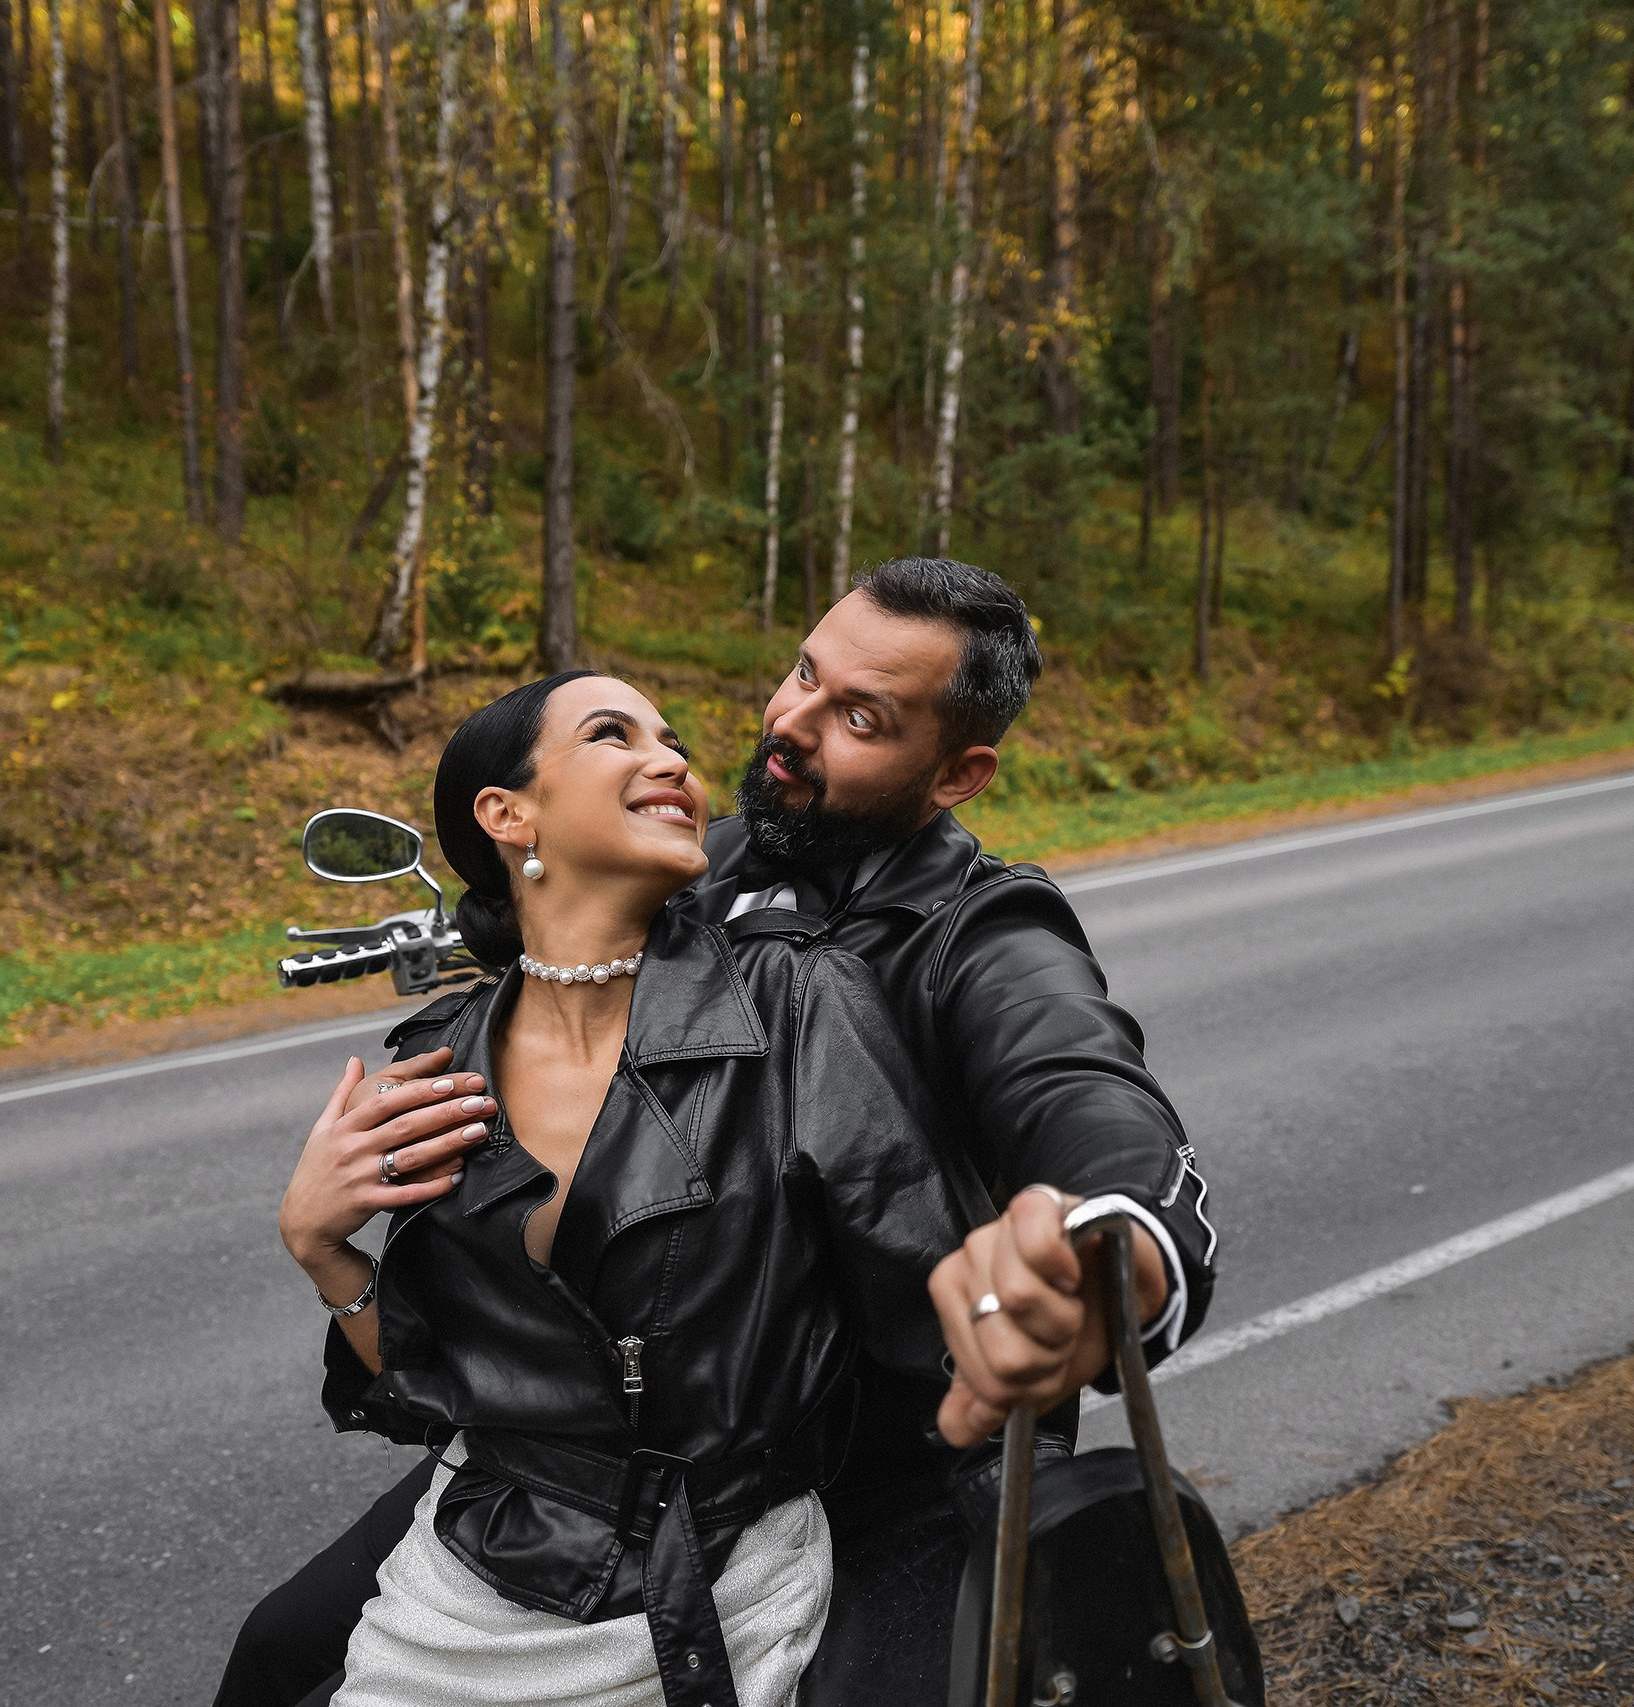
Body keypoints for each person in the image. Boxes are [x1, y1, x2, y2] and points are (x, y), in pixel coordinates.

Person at [222, 559, 1218, 1707]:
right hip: (612, 1441)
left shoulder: (984, 935)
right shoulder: (728, 849)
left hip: (893, 1449)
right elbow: (565, 922)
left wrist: (1109, 1245)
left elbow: (1085, 1090)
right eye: (803, 671)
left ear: (956, 772)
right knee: (281, 1651)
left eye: (858, 716)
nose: (790, 722)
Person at [284, 668, 992, 1707]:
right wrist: (324, 1252)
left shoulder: (794, 997)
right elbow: (451, 1386)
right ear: (506, 812)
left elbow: (933, 1301)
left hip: (716, 1587)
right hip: (458, 1595)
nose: (671, 760)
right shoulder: (437, 1057)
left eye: (674, 743)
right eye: (615, 734)